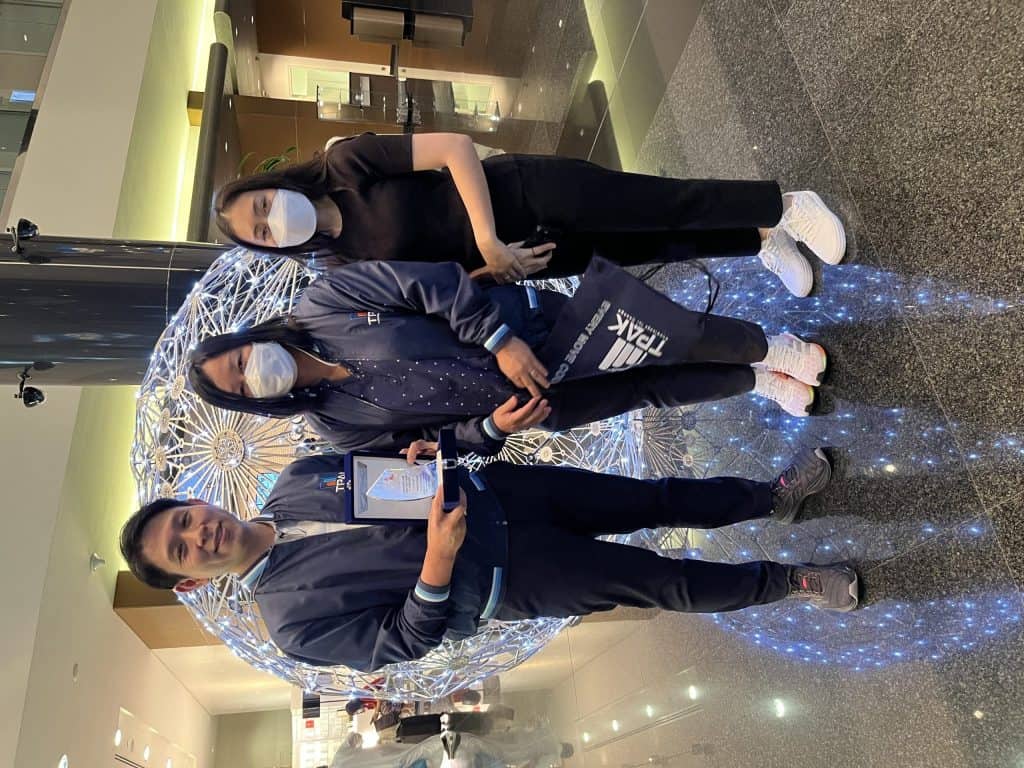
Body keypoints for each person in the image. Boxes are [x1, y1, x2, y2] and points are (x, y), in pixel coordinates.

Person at [119, 447, 860, 672]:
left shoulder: (297, 481)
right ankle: (788, 581)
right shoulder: (289, 622)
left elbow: (392, 469)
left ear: (196, 502)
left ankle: (771, 496)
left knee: (651, 497)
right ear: (189, 581)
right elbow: (403, 641)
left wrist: (418, 454)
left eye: (185, 520)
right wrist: (436, 565)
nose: (200, 534)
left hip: (505, 493)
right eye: (183, 550)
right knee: (660, 581)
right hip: (510, 577)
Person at [187, 260, 828, 456]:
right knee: (648, 390)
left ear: (246, 339)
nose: (252, 375)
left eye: (239, 362)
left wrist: (498, 340)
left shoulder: (325, 303)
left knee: (659, 338)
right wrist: (492, 430)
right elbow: (430, 447)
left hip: (526, 330)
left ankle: (773, 347)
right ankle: (756, 382)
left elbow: (432, 285)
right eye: (239, 387)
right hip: (534, 404)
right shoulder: (335, 425)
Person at [213, 131, 844, 296]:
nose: (273, 221)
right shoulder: (341, 264)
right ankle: (759, 238)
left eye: (262, 206)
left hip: (525, 192)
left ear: (273, 185)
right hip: (523, 257)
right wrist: (496, 267)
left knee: (662, 203)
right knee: (651, 247)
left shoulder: (346, 165)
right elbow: (436, 283)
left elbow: (455, 150)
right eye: (262, 232)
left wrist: (487, 236)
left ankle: (786, 206)